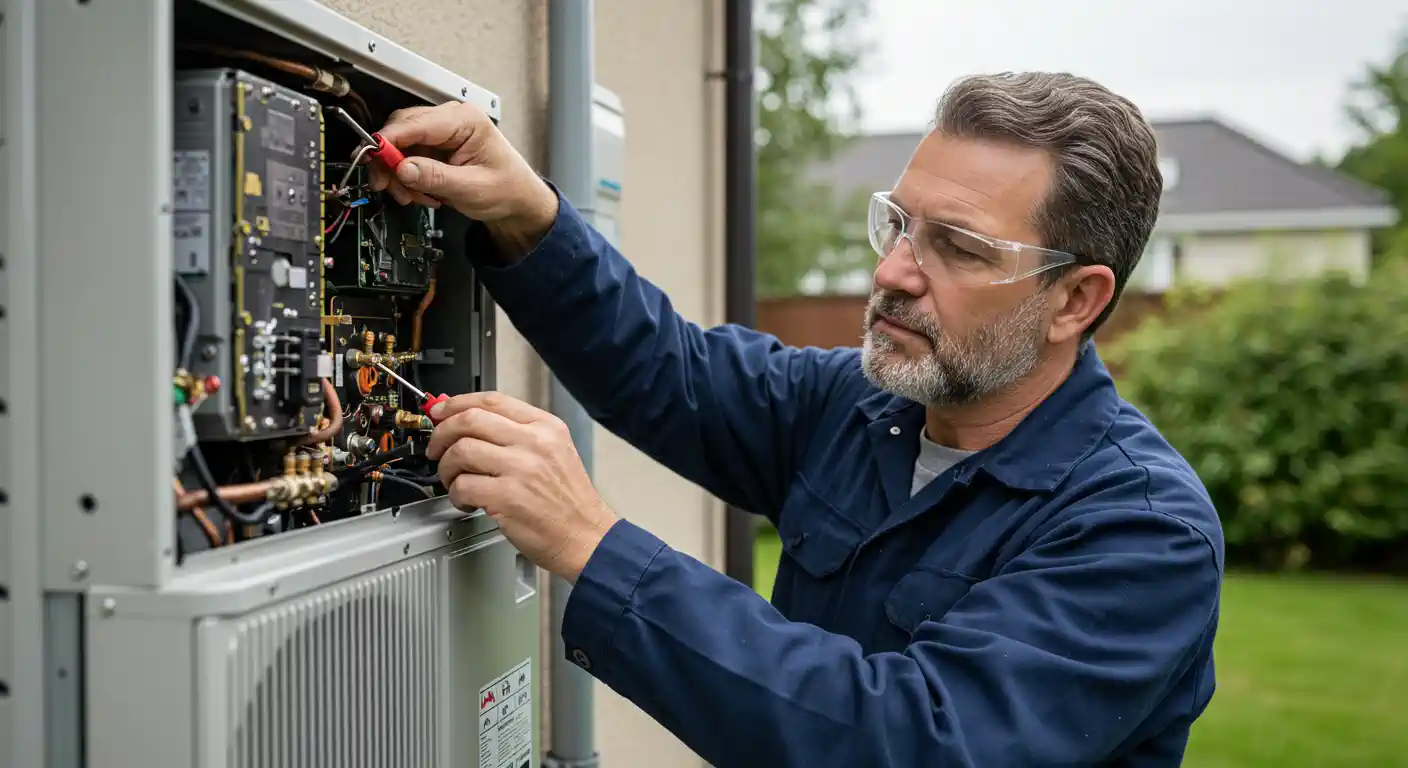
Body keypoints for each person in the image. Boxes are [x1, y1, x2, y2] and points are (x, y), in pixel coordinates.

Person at [369, 71, 1224, 767]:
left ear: (1074, 299)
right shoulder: (863, 410)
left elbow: (913, 742)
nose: (893, 271)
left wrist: (593, 545)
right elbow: (669, 370)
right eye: (898, 224)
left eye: (958, 247)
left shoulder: (1139, 534)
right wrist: (527, 213)